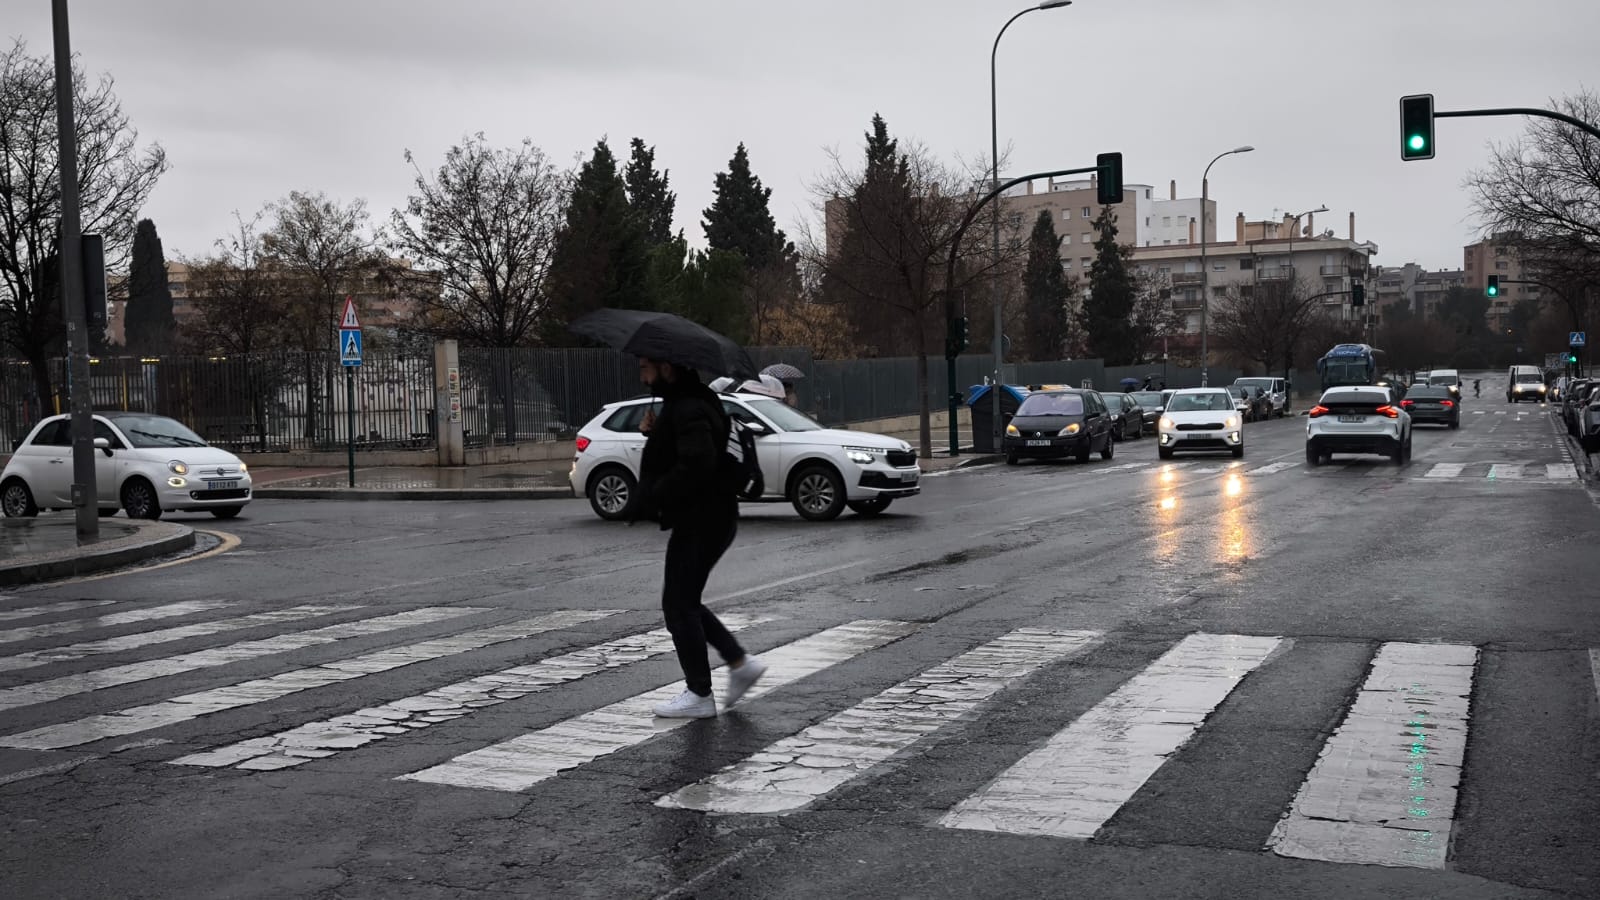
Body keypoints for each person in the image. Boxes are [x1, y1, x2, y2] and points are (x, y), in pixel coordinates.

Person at [634, 357, 766, 719]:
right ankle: (739, 664)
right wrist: (655, 434)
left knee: (678, 604)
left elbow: (697, 463)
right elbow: (689, 451)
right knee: (684, 600)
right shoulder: (691, 402)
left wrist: (655, 493)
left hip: (703, 518)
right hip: (709, 516)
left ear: (668, 368)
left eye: (646, 366)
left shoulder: (689, 406)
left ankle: (699, 693)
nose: (642, 375)